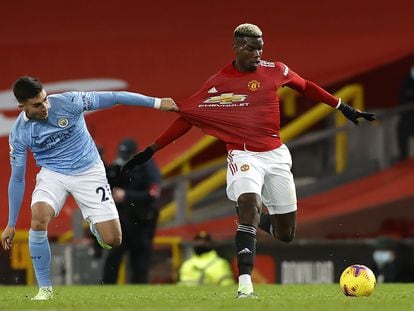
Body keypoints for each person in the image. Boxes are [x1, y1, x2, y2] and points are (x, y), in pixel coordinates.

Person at [122, 23, 376, 298]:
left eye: (260, 48)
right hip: (243, 154)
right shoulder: (218, 83)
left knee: (285, 233)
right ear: (237, 47)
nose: (258, 54)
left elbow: (306, 87)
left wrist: (344, 107)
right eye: (252, 48)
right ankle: (245, 286)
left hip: (276, 155)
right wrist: (151, 151)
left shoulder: (275, 70)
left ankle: (251, 219)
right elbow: (189, 117)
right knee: (249, 202)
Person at [1, 76, 178, 300]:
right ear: (22, 106)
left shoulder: (70, 101)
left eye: (45, 99)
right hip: (53, 173)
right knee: (39, 216)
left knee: (113, 240)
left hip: (89, 172)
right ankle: (45, 290)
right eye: (37, 104)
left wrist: (156, 102)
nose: (45, 106)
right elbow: (17, 179)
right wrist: (11, 223)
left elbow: (115, 97)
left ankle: (96, 228)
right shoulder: (19, 133)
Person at [102, 138, 161, 284]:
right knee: (113, 258)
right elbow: (108, 180)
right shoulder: (119, 167)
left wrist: (126, 196)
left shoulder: (147, 166)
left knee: (140, 261)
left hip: (142, 222)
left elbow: (153, 193)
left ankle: (138, 295)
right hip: (123, 220)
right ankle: (107, 291)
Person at [397, 65, 414, 160]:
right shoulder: (407, 80)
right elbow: (404, 98)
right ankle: (403, 158)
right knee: (402, 130)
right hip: (407, 117)